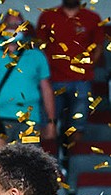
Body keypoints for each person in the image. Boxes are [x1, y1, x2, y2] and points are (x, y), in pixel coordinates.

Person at [0, 11, 56, 140]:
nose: (14, 28)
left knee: (29, 159)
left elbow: (46, 90)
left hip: (30, 120)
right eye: (9, 24)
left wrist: (51, 122)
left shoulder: (37, 55)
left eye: (18, 24)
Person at [37, 0, 104, 146]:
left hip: (82, 80)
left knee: (77, 127)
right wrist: (46, 69)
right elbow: (40, 46)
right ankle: (48, 162)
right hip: (53, 79)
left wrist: (89, 66)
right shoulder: (48, 16)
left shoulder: (92, 17)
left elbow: (99, 46)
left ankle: (72, 162)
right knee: (48, 125)